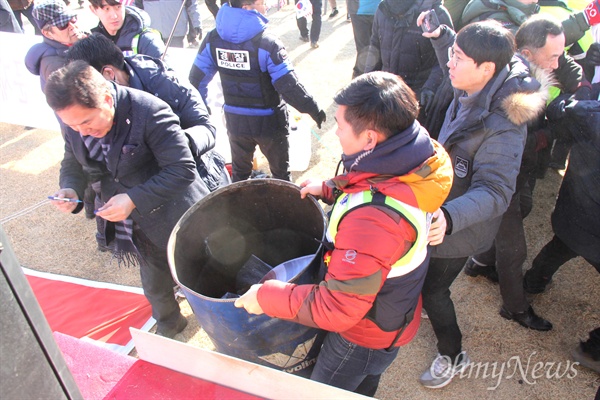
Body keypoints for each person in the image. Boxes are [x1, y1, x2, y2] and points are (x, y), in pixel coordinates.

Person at [234, 71, 453, 396]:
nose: (334, 131)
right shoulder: (415, 156)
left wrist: (265, 297)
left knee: (328, 389)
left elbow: (337, 307)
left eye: (340, 123)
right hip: (388, 311)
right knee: (364, 381)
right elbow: (376, 184)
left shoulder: (373, 222)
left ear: (369, 139)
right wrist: (330, 188)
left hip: (364, 334)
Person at [415, 19, 547, 388]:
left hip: (460, 224)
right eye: (453, 55)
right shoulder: (476, 82)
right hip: (442, 205)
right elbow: (453, 63)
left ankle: (453, 355)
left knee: (434, 290)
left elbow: (496, 191)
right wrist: (443, 40)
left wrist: (449, 218)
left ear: (486, 69)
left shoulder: (503, 125)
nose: (450, 64)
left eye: (458, 57)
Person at [45, 60, 211, 338]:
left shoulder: (149, 111)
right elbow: (72, 159)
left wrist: (133, 198)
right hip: (133, 221)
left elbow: (182, 169)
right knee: (153, 280)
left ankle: (224, 321)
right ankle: (169, 321)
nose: (82, 131)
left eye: (87, 121)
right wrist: (70, 190)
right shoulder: (74, 122)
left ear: (107, 99)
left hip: (175, 212)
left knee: (203, 270)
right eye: (72, 125)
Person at [66, 33, 228, 191]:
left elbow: (206, 129)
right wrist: (71, 186)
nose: (80, 92)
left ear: (108, 74)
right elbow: (73, 152)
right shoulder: (79, 106)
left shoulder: (163, 83)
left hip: (192, 181)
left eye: (85, 85)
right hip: (131, 196)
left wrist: (175, 142)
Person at [189, 0, 326, 182]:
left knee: (240, 175)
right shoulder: (267, 43)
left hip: (235, 122)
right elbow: (289, 87)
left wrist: (200, 111)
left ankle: (242, 208)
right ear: (247, 7)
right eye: (261, 3)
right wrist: (314, 109)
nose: (266, 7)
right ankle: (282, 210)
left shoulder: (212, 39)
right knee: (281, 177)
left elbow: (196, 81)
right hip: (269, 122)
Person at [523, 85, 600, 373]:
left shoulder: (587, 112)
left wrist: (580, 99)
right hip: (591, 219)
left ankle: (532, 282)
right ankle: (594, 349)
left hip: (576, 212)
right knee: (564, 244)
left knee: (561, 245)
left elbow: (559, 111)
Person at [363, 0, 453, 99]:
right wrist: (367, 81)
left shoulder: (435, 14)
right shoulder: (383, 9)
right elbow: (375, 47)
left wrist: (430, 88)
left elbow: (446, 57)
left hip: (420, 96)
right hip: (387, 94)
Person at [24, 0, 87, 91]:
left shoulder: (81, 39)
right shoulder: (55, 66)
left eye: (73, 19)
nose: (72, 27)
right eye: (63, 25)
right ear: (47, 33)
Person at [89, 0, 165, 58]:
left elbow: (166, 76)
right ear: (93, 9)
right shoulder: (93, 45)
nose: (114, 16)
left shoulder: (147, 40)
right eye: (107, 9)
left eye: (118, 7)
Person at [134, 0, 202, 48]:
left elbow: (191, 5)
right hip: (153, 34)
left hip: (176, 32)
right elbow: (136, 8)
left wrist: (197, 23)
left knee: (175, 62)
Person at [347, 0, 380, 78]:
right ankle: (359, 77)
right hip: (359, 10)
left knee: (377, 48)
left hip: (379, 9)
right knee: (364, 49)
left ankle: (360, 76)